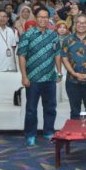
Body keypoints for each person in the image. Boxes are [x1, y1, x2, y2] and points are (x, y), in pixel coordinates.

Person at [18, 9, 62, 146]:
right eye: (40, 17)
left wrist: (59, 72)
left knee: (50, 108)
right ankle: (30, 134)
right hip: (33, 79)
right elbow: (21, 56)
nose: (43, 19)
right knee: (31, 109)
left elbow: (57, 54)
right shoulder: (27, 35)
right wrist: (24, 76)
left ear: (48, 19)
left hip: (50, 78)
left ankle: (49, 132)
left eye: (45, 17)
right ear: (36, 18)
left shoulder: (53, 35)